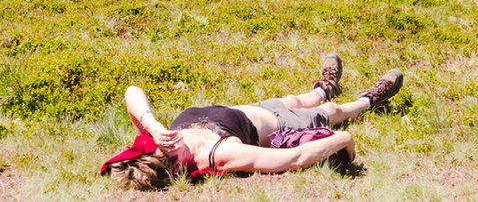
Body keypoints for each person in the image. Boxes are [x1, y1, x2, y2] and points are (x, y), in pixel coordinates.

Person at [100, 54, 403, 190]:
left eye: (153, 145)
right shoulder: (219, 154)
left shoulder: (160, 137)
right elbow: (292, 158)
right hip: (284, 125)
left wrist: (151, 126)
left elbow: (132, 92)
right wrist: (343, 141)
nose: (165, 143)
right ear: (176, 167)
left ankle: (324, 86)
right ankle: (370, 99)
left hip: (257, 108)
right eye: (164, 151)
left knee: (299, 98)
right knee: (334, 111)